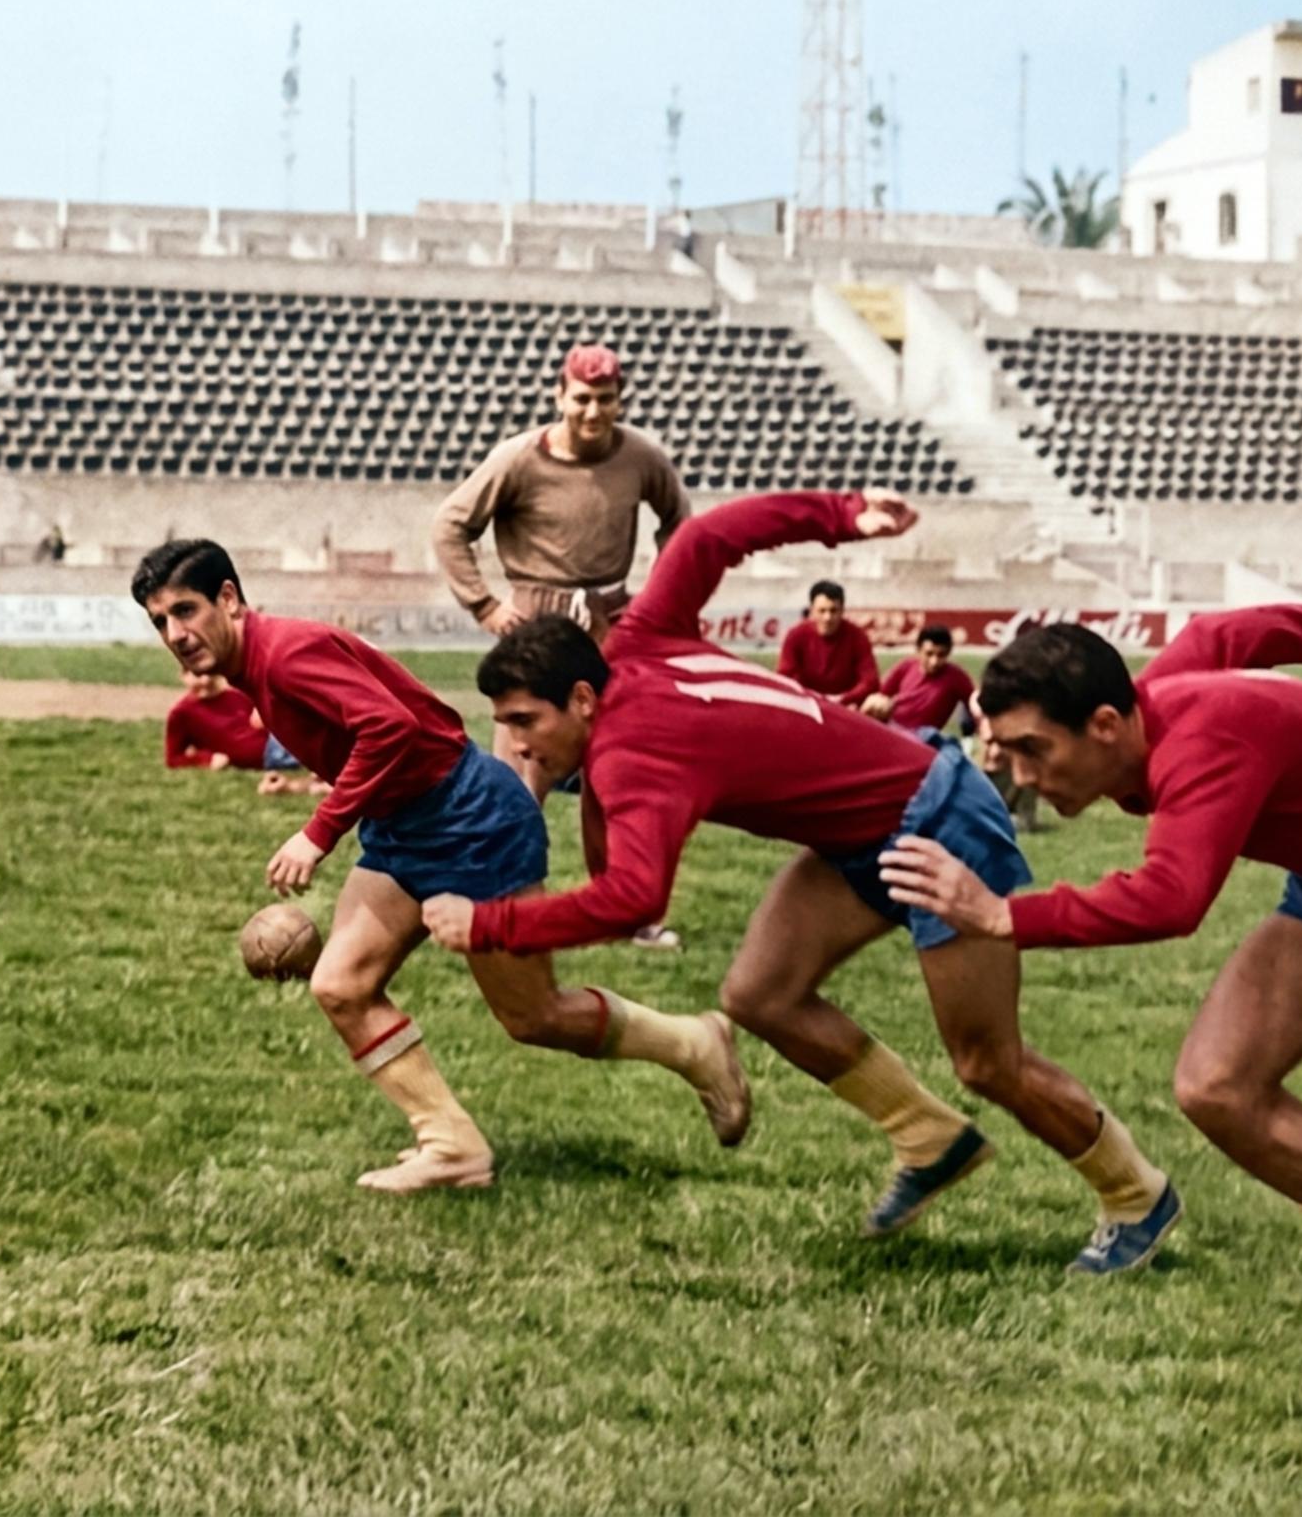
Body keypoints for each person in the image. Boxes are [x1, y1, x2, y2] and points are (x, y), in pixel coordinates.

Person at [421, 492, 1181, 1272]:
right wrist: (844, 513)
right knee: (759, 996)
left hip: (940, 817)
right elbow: (712, 536)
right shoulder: (642, 639)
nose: (513, 742)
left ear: (582, 699)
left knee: (988, 1062)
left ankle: (1136, 1195)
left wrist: (489, 926)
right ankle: (929, 1138)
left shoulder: (632, 755)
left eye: (523, 722)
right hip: (864, 830)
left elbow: (635, 900)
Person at [879, 586, 1302, 1383]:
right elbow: (1230, 628)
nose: (1019, 774)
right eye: (1003, 750)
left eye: (1033, 750)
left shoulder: (1203, 744)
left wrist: (1004, 916)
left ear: (1106, 726)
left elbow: (1172, 897)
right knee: (1217, 1085)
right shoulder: (1148, 697)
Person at [131, 539, 749, 1193]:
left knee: (533, 1016)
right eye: (160, 622)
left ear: (229, 598)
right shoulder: (259, 663)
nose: (176, 633)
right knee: (340, 985)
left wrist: (318, 833)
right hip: (405, 826)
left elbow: (390, 729)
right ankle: (451, 1145)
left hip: (470, 820)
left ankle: (695, 1045)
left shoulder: (284, 654)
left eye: (186, 610)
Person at [433, 341, 690, 948]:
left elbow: (680, 522)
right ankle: (499, 909)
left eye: (606, 400)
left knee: (618, 773)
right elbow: (450, 525)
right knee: (520, 774)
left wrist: (655, 603)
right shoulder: (519, 458)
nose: (594, 412)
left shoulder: (641, 457)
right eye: (582, 399)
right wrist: (486, 604)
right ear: (560, 396)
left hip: (610, 624)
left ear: (620, 399)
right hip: (536, 625)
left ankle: (626, 909)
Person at [165, 667, 330, 796]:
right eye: (195, 673)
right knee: (325, 746)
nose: (204, 678)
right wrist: (207, 759)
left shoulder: (234, 696)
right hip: (269, 752)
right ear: (184, 676)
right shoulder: (182, 713)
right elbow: (173, 758)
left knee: (319, 730)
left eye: (208, 672)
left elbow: (262, 714)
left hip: (277, 736)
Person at [777, 580, 881, 706]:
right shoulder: (796, 635)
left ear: (842, 610)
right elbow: (785, 677)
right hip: (806, 703)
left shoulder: (857, 636)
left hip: (846, 706)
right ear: (812, 610)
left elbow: (870, 681)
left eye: (833, 610)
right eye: (822, 611)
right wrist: (810, 697)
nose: (828, 617)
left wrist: (844, 699)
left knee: (877, 704)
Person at [863, 625, 975, 731]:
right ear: (918, 650)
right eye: (929, 654)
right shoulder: (906, 666)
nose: (934, 662)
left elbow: (976, 705)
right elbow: (879, 695)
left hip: (924, 737)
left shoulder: (956, 677)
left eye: (941, 655)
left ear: (948, 653)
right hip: (893, 728)